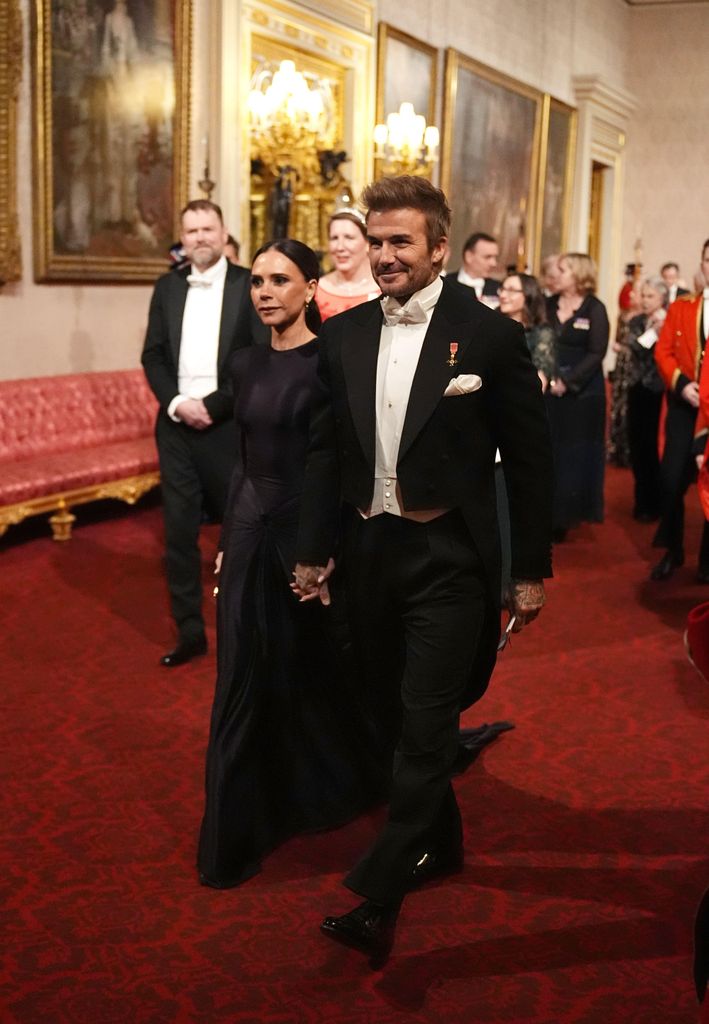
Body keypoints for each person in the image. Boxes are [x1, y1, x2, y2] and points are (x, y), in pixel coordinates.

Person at [292, 175, 553, 966]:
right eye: (375, 242)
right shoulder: (341, 336)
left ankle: (381, 891)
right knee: (381, 708)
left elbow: (533, 464)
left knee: (425, 719)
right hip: (371, 552)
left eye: (400, 242)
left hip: (449, 560)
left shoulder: (488, 338)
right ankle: (439, 840)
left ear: (438, 247)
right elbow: (324, 452)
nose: (383, 256)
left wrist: (530, 569)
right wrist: (311, 549)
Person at [198, 239, 384, 888]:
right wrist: (227, 537)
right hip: (249, 532)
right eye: (257, 282)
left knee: (313, 670)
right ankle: (238, 827)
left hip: (305, 538)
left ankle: (324, 784)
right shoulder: (245, 363)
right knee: (242, 673)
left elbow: (334, 464)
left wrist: (322, 552)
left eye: (280, 280)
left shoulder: (329, 361)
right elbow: (244, 462)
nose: (265, 292)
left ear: (311, 287)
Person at [141, 199, 265, 667]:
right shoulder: (166, 287)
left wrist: (210, 407)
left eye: (207, 229)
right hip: (175, 426)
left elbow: (256, 357)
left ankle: (244, 629)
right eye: (190, 230)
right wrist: (176, 403)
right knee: (177, 532)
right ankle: (190, 631)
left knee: (239, 531)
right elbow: (152, 355)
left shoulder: (248, 283)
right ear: (182, 236)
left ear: (223, 231)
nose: (199, 238)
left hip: (228, 423)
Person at [651, 238, 709, 581]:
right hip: (684, 404)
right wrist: (681, 383)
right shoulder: (684, 307)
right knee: (671, 479)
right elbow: (663, 351)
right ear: (701, 263)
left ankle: (707, 559)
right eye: (707, 259)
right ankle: (673, 549)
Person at [546, 253, 609, 540]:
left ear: (579, 274)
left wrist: (568, 382)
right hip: (547, 386)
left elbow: (597, 352)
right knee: (549, 452)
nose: (555, 274)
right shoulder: (547, 304)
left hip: (583, 394)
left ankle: (566, 515)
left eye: (562, 270)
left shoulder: (595, 308)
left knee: (574, 455)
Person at [625, 276, 668, 521]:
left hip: (659, 391)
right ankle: (642, 501)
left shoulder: (672, 320)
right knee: (638, 445)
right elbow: (636, 347)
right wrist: (653, 331)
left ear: (662, 298)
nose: (645, 300)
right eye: (644, 295)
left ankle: (657, 501)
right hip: (636, 388)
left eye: (650, 296)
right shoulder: (638, 321)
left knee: (655, 447)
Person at [314, 209, 379, 320]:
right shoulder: (316, 290)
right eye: (334, 238)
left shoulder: (384, 290)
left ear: (367, 242)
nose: (340, 247)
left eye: (349, 238)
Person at [498, 272, 556, 389]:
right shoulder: (493, 325)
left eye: (511, 290)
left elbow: (539, 383)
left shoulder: (542, 333)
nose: (503, 295)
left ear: (528, 294)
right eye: (502, 289)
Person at [446, 231, 501, 306]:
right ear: (469, 256)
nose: (494, 263)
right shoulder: (446, 283)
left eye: (495, 257)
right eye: (487, 257)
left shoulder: (499, 288)